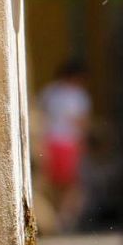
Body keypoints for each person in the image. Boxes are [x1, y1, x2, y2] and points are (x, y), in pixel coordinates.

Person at [37, 59, 92, 232]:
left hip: (51, 141)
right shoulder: (78, 95)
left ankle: (58, 217)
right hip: (68, 142)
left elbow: (41, 115)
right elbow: (82, 121)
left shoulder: (49, 92)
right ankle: (63, 217)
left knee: (57, 183)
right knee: (70, 183)